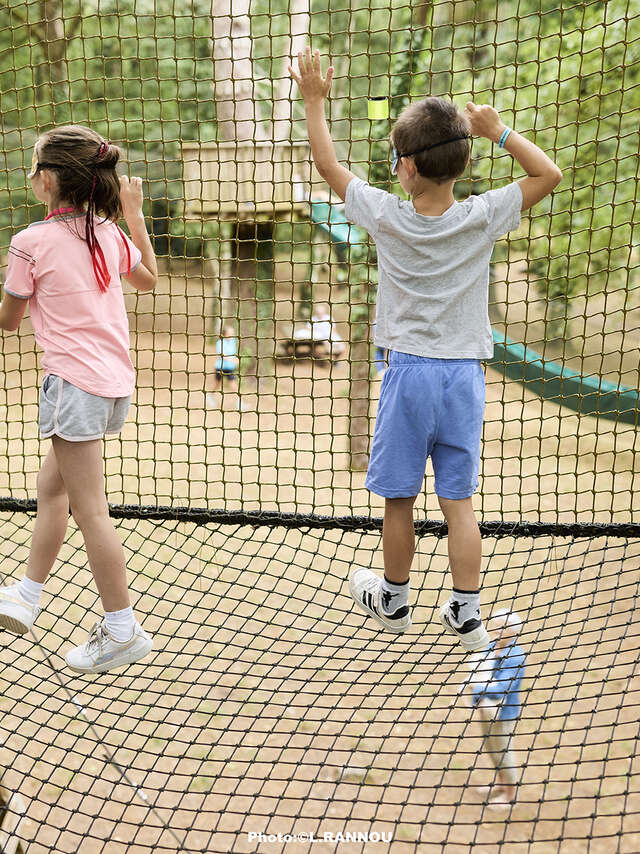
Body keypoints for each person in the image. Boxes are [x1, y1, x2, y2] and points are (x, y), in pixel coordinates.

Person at [289, 48, 562, 650]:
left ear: (405, 167)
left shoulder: (387, 216)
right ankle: (467, 613)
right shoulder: (483, 215)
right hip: (464, 378)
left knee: (399, 498)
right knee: (458, 499)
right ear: (462, 164)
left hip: (409, 376)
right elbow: (549, 176)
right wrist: (501, 132)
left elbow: (328, 165)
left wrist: (314, 101)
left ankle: (393, 596)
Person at [0, 125, 158, 673]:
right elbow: (150, 279)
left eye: (33, 167)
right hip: (112, 388)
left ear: (48, 179)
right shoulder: (110, 233)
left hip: (74, 386)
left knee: (91, 510)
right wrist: (134, 213)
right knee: (52, 487)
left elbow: (9, 321)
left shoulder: (30, 242)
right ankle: (26, 592)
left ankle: (122, 628)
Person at [462, 609, 526, 806]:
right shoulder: (491, 646)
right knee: (491, 748)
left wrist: (475, 687)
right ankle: (500, 784)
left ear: (513, 632)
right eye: (496, 624)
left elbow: (501, 690)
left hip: (502, 713)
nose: (497, 629)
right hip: (486, 707)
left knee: (503, 753)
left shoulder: (515, 656)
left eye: (502, 626)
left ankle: (510, 797)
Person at [206, 323, 246, 411]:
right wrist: (233, 360)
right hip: (220, 368)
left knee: (234, 385)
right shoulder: (219, 343)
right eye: (230, 332)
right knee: (217, 384)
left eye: (232, 332)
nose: (232, 334)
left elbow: (233, 353)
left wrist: (236, 359)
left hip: (229, 368)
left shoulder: (232, 341)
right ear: (225, 334)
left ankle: (240, 403)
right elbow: (223, 355)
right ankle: (209, 396)